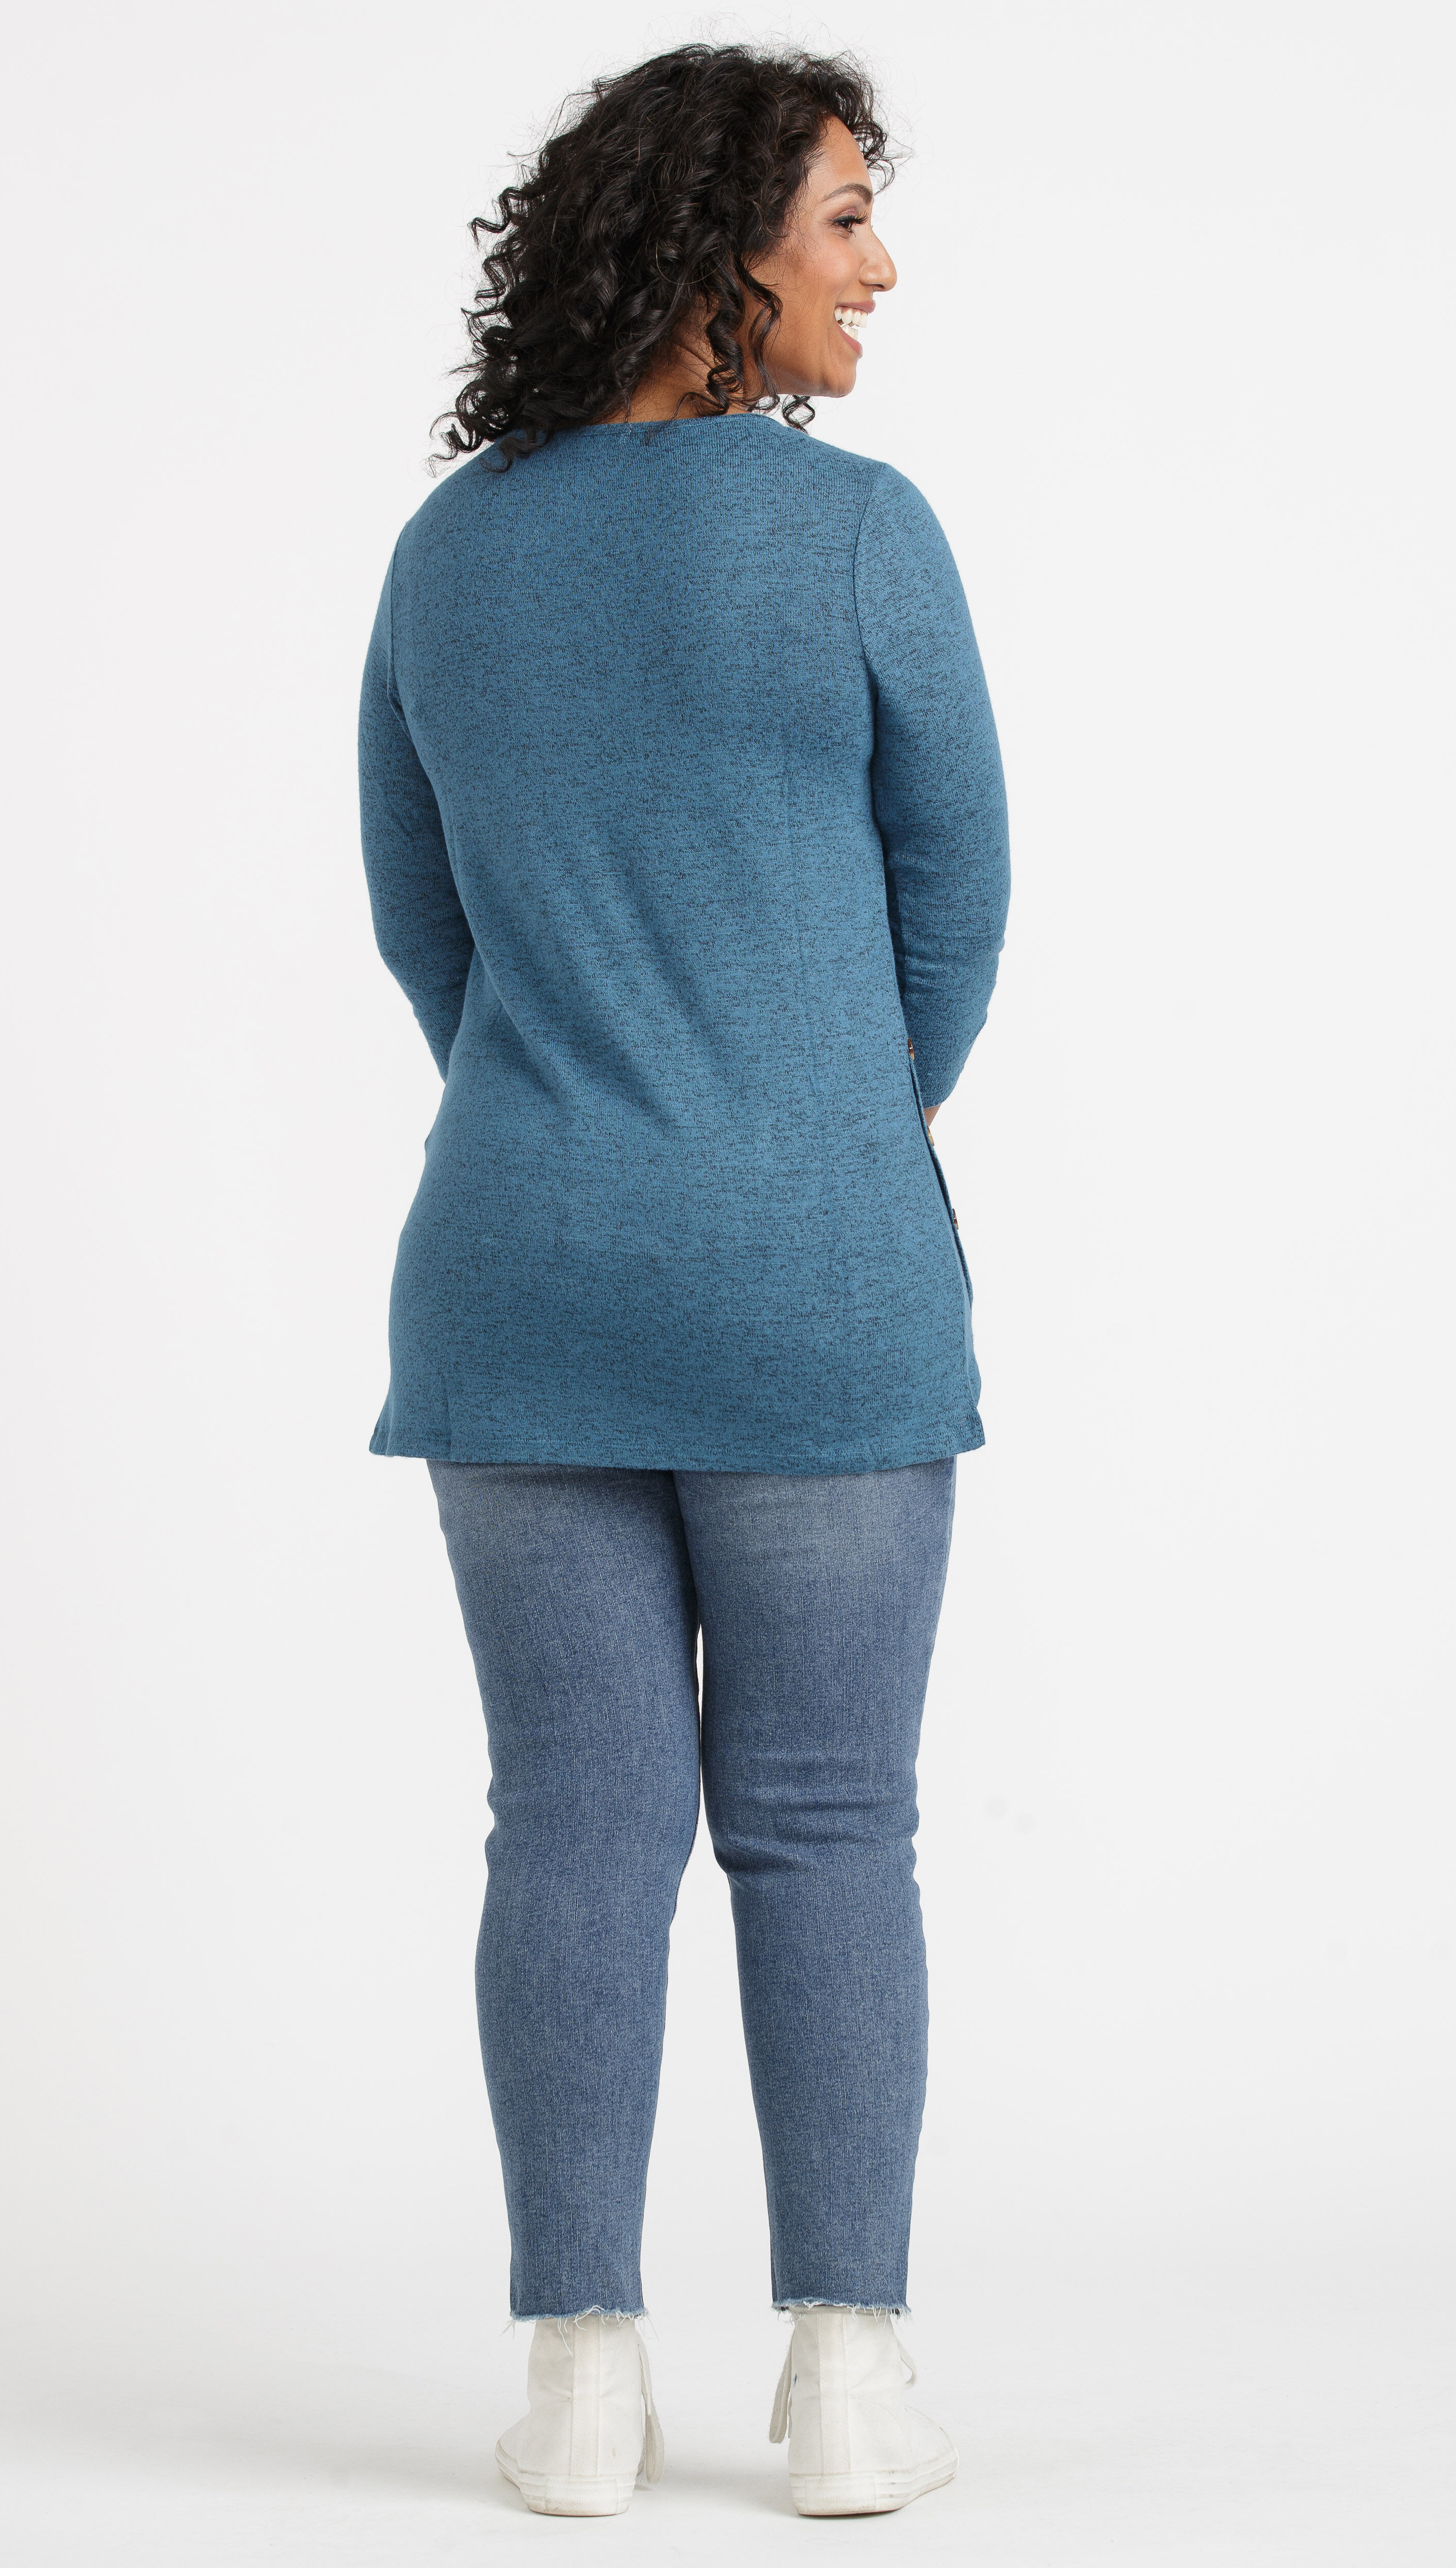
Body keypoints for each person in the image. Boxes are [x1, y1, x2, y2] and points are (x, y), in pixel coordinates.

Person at [357, 42, 1010, 2521]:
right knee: (827, 1825)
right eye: (843, 217)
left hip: (515, 1265)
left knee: (568, 1826)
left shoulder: (450, 554)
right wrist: (813, 1113)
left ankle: (577, 2386)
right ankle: (846, 2379)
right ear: (725, 242)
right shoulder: (856, 536)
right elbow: (959, 897)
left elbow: (424, 925)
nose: (880, 264)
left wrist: (578, 1110)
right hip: (819, 1276)